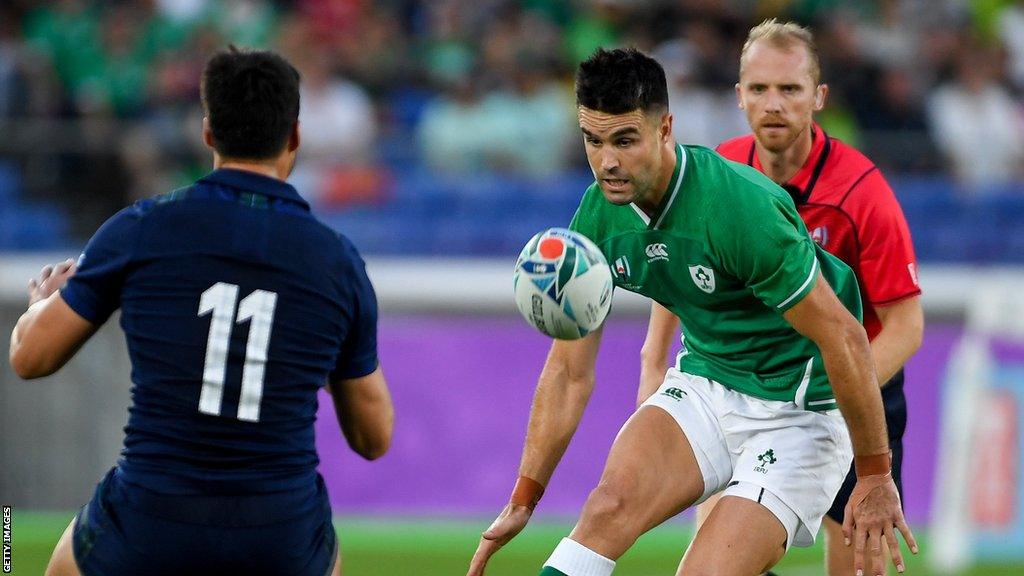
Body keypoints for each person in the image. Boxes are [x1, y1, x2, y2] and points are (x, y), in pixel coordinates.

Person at [467, 47, 916, 576]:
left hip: (800, 412)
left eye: (625, 140)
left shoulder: (737, 208)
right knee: (605, 509)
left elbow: (844, 336)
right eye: (594, 140)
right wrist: (524, 496)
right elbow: (568, 372)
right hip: (706, 383)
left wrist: (874, 476)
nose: (606, 161)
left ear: (665, 129)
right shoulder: (598, 215)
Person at [9, 47, 394, 576]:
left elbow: (31, 359)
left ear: (208, 132)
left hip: (150, 520)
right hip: (277, 534)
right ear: (295, 137)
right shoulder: (337, 262)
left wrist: (40, 307)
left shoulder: (140, 229)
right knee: (323, 551)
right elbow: (374, 439)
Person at [640, 20, 924, 576]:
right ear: (739, 94)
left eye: (790, 89)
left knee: (857, 571)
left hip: (851, 402)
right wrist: (653, 360)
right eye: (760, 88)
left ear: (818, 97)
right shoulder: (718, 170)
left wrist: (842, 394)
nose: (774, 104)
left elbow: (907, 325)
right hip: (745, 388)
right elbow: (681, 267)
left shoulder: (861, 193)